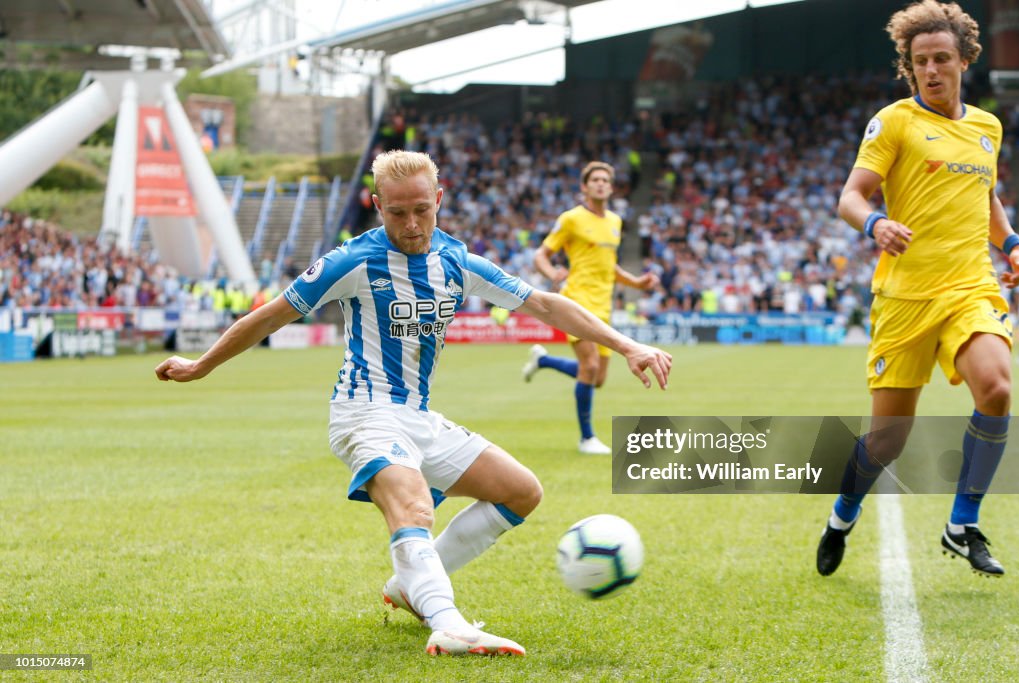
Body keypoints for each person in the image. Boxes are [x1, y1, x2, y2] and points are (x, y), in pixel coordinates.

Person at [155, 150, 673, 656]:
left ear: (439, 199)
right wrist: (202, 364)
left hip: (419, 415)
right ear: (377, 204)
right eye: (397, 211)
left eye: (421, 209)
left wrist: (628, 345)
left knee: (521, 492)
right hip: (365, 411)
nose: (410, 223)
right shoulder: (353, 260)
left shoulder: (455, 259)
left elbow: (544, 303)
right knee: (414, 506)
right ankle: (447, 623)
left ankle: (411, 587)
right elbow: (269, 316)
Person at [816, 0, 1019, 578]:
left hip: (969, 286)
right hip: (905, 298)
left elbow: (985, 197)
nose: (931, 69)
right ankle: (842, 515)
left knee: (998, 388)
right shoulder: (895, 121)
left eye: (942, 59)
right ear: (910, 67)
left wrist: (1010, 244)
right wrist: (874, 223)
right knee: (887, 442)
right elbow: (850, 196)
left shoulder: (987, 127)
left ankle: (962, 524)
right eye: (920, 61)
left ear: (964, 61)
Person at [525, 161, 660, 455]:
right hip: (577, 300)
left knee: (597, 378)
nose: (600, 184)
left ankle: (544, 361)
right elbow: (541, 255)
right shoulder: (571, 219)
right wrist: (552, 274)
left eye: (605, 180)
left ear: (611, 187)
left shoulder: (615, 222)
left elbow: (609, 266)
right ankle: (587, 438)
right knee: (590, 366)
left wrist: (637, 283)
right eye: (594, 180)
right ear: (585, 187)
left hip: (604, 305)